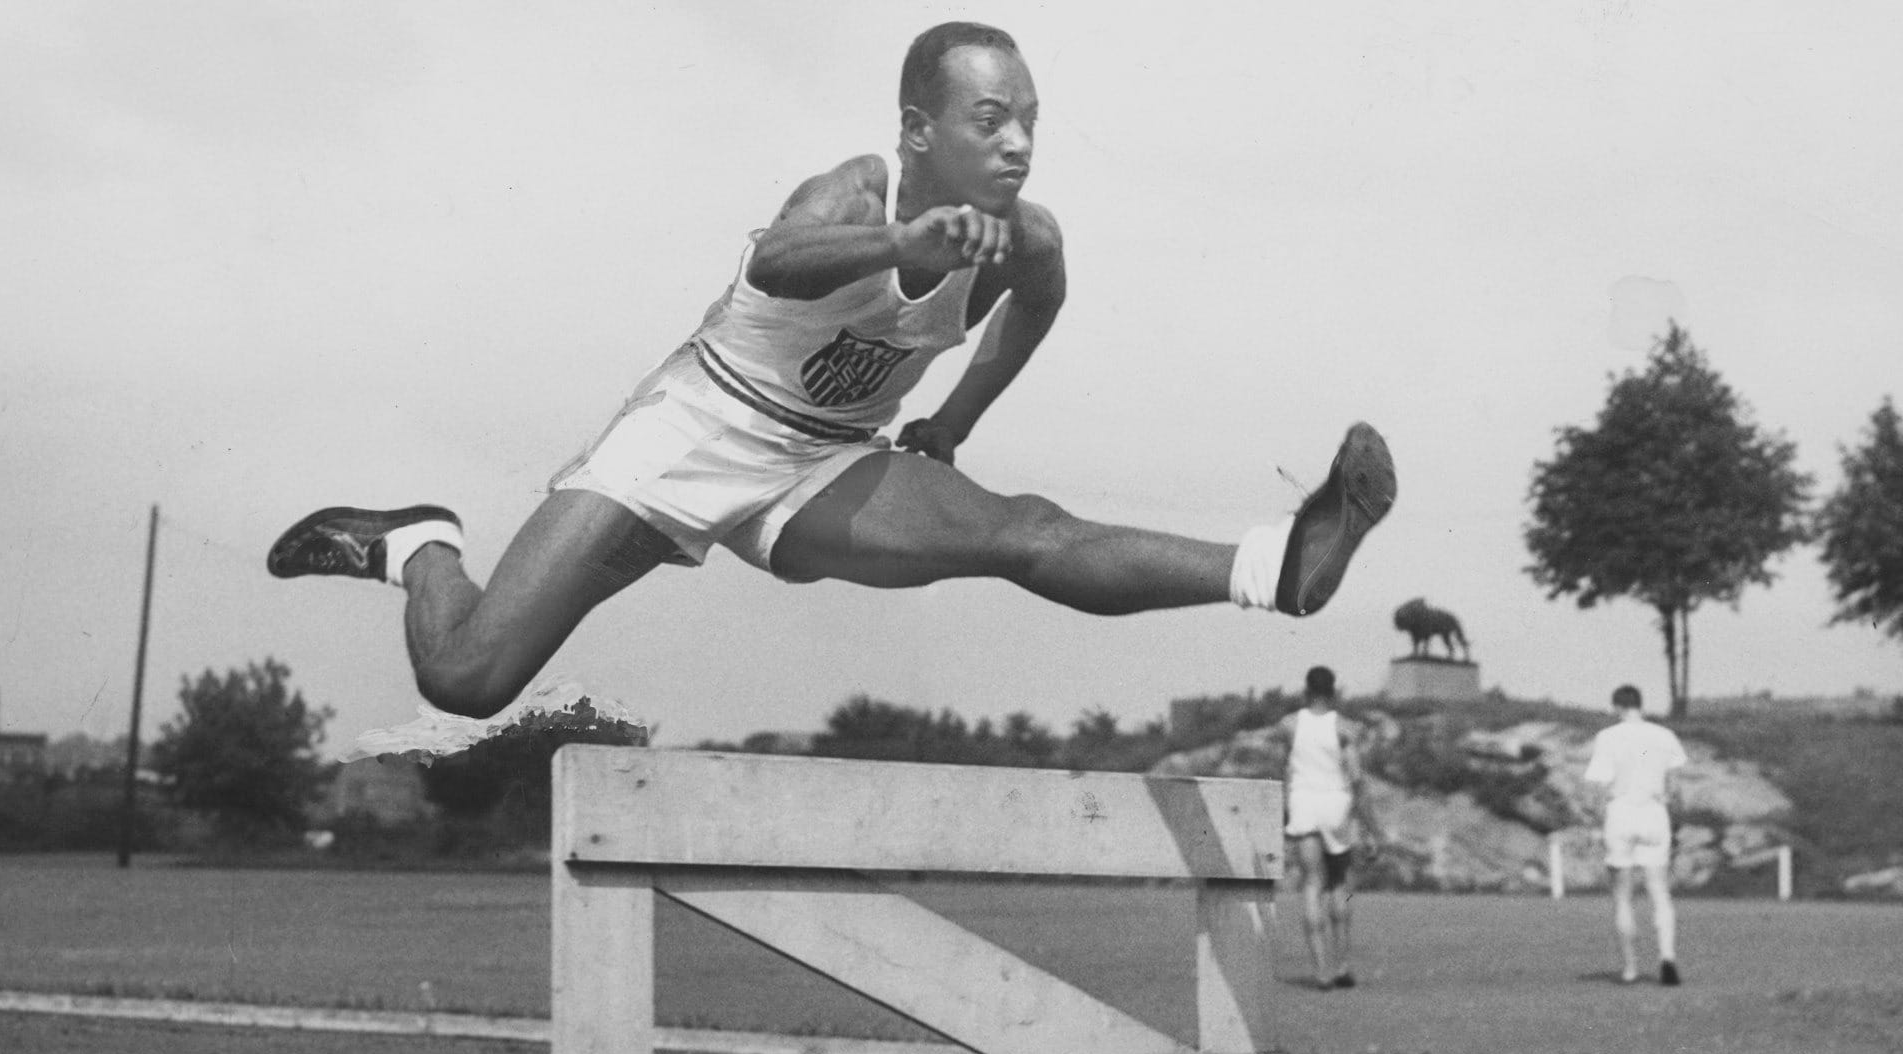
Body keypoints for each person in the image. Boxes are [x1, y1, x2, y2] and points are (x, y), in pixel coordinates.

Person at [266, 22, 1398, 721]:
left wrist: (952, 422)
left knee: (1022, 531)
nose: (1017, 143)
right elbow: (776, 258)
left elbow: (1038, 306)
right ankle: (420, 546)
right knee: (466, 681)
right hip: (692, 434)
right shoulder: (853, 192)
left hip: (822, 464)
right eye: (990, 119)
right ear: (919, 130)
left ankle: (1275, 568)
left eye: (1029, 121)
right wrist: (900, 244)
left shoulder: (1027, 239)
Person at [1270, 665, 1372, 990]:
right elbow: (1356, 777)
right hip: (1335, 806)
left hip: (1303, 804)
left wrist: (1283, 809)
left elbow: (1282, 769)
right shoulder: (1345, 728)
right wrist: (1370, 827)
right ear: (1333, 692)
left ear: (1306, 691)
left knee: (1312, 883)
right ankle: (1342, 965)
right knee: (1339, 882)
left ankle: (1321, 971)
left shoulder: (1289, 725)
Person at [1584, 684, 1688, 986]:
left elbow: (1598, 785)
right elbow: (1675, 785)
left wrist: (1595, 822)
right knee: (1659, 892)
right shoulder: (1665, 736)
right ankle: (1667, 957)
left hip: (1621, 812)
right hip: (1654, 812)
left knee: (1622, 896)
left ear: (1617, 706)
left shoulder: (1608, 737)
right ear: (1640, 705)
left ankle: (1630, 968)